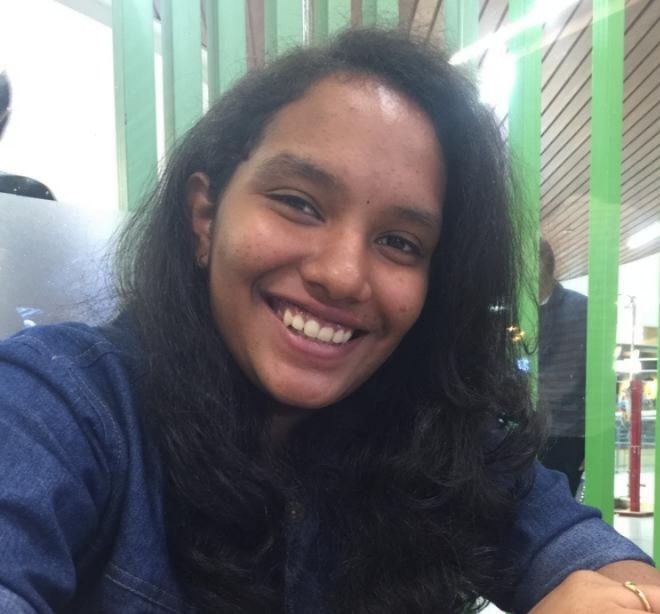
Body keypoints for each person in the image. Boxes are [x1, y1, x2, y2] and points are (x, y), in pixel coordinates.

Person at [0, 28, 658, 614]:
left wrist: (618, 593)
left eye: (400, 242)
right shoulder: (60, 407)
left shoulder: (435, 433)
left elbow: (584, 551)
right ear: (205, 217)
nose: (343, 275)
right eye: (299, 203)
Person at [537, 239, 588, 496]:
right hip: (519, 430)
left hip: (568, 434)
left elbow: (596, 377)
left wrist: (591, 445)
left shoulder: (582, 310)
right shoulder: (512, 310)